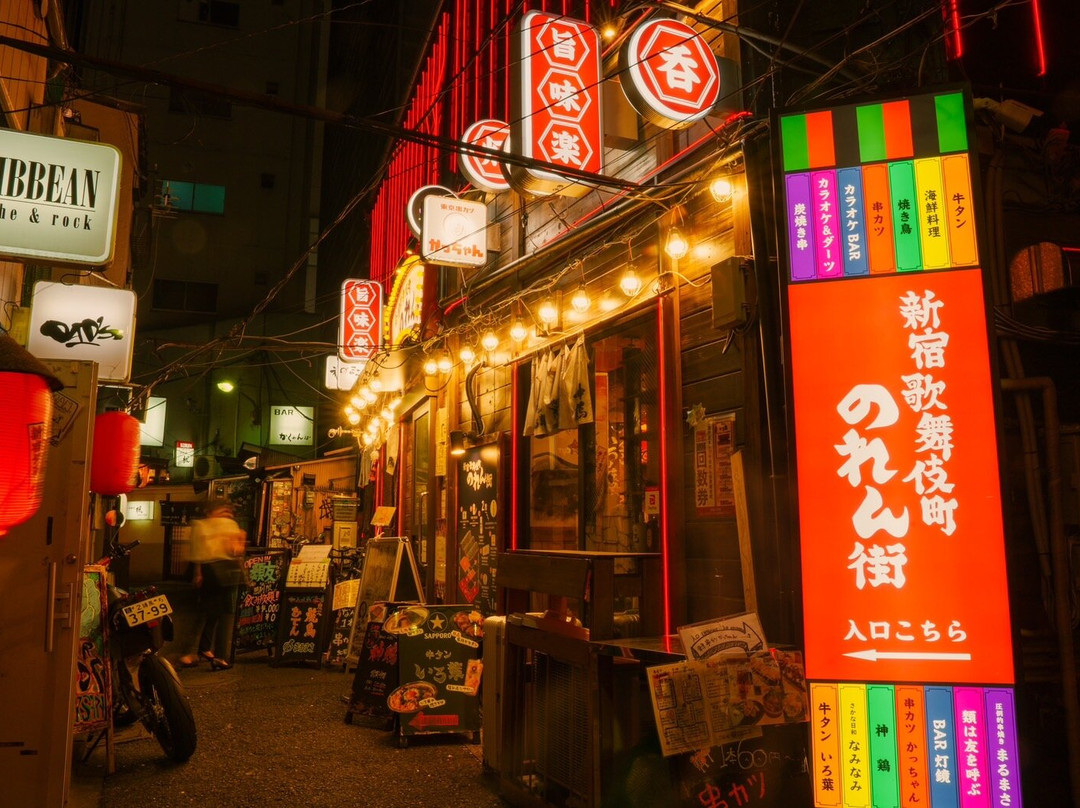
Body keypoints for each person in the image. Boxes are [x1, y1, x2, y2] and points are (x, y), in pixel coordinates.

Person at [178, 500, 246, 670]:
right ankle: (220, 656)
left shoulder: (200, 525)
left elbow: (196, 553)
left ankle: (197, 651)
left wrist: (197, 574)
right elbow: (235, 551)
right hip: (226, 570)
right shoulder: (230, 524)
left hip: (209, 570)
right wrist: (240, 539)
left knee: (205, 612)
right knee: (223, 614)